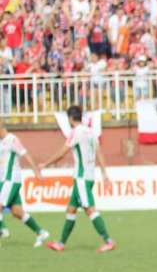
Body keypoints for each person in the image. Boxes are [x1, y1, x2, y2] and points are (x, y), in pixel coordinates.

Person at [41, 106, 115, 253]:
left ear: (70, 118)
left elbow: (62, 153)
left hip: (81, 178)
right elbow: (99, 152)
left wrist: (45, 164)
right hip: (88, 177)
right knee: (71, 209)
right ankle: (61, 243)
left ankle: (108, 241)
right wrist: (104, 174)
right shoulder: (91, 132)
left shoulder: (75, 133)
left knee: (89, 210)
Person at [0, 119, 49, 247]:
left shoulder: (12, 139)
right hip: (4, 180)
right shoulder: (1, 142)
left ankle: (3, 230)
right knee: (17, 212)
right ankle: (40, 232)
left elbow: (25, 154)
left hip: (10, 179)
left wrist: (36, 172)